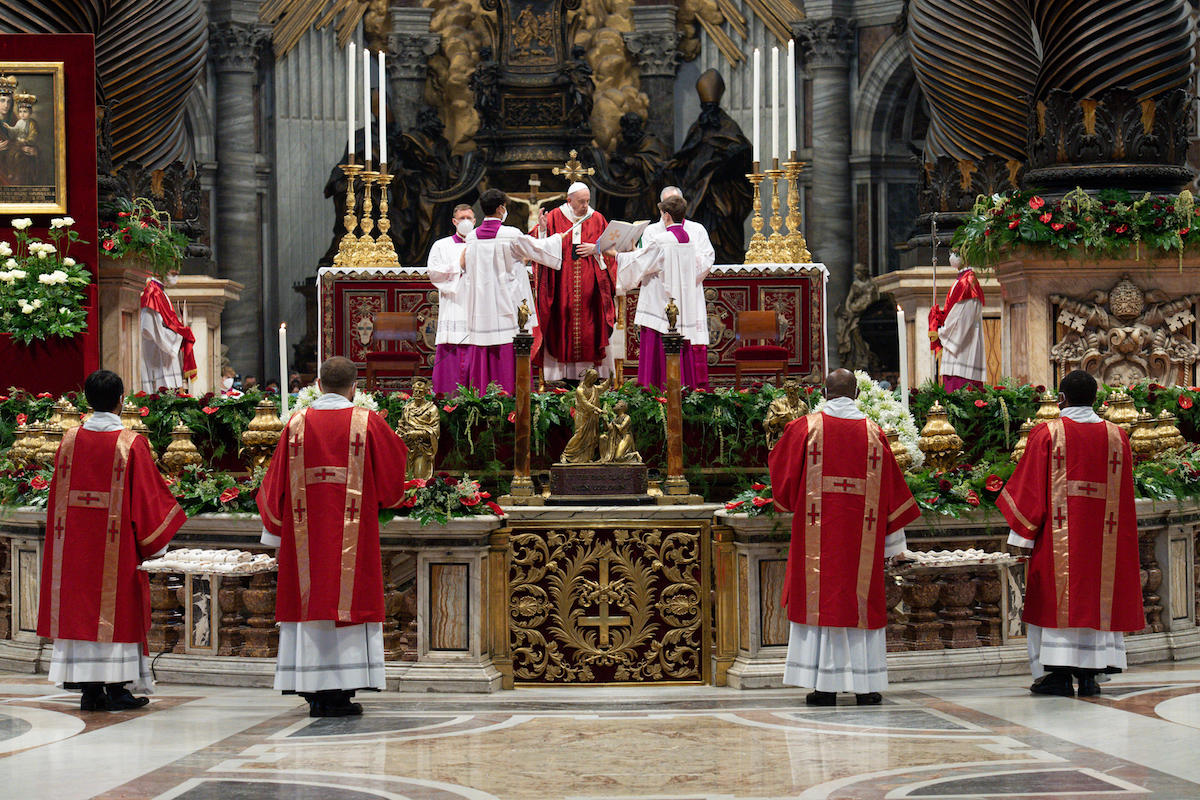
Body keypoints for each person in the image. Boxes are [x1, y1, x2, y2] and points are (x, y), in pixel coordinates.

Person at [256, 357, 409, 717]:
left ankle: (313, 687)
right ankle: (340, 691)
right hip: (353, 543)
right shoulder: (366, 422)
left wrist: (274, 529)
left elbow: (274, 484)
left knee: (310, 602)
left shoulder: (295, 425)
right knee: (348, 602)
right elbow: (394, 474)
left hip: (304, 544)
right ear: (354, 388)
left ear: (318, 385)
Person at [36, 369, 187, 711]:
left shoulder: (69, 440)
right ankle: (117, 689)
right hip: (116, 548)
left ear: (86, 400)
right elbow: (149, 498)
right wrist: (156, 543)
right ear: (121, 401)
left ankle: (90, 691)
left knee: (80, 611)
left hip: (73, 547)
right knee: (116, 609)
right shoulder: (130, 443)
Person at [769, 369, 920, 706]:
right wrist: (897, 547)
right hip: (860, 542)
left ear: (824, 393)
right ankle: (866, 686)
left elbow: (781, 476)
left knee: (821, 601)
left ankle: (823, 687)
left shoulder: (804, 428)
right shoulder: (874, 434)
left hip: (816, 536)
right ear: (856, 394)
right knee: (857, 603)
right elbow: (893, 495)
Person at [997, 369, 1143, 698]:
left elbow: (1029, 491)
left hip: (1056, 542)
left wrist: (1020, 540)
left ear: (1061, 399)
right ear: (1096, 400)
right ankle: (1090, 676)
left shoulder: (1047, 433)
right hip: (1103, 541)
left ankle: (1057, 676)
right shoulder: (1117, 436)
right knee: (1096, 597)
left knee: (1054, 596)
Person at [455, 188, 563, 393]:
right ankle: (513, 397)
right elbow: (538, 250)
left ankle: (482, 395)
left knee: (483, 350)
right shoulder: (510, 235)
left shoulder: (471, 238)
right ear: (500, 208)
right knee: (509, 349)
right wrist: (556, 237)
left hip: (481, 308)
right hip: (507, 307)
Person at [609, 195, 710, 389]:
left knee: (657, 348)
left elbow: (644, 263)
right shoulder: (687, 238)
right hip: (678, 302)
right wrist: (636, 252)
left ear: (666, 216)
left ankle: (656, 391)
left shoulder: (662, 239)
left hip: (658, 301)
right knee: (680, 343)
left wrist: (618, 256)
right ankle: (683, 388)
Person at [537, 182, 618, 382]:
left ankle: (590, 375)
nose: (585, 205)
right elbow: (538, 246)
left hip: (591, 283)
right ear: (569, 200)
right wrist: (542, 229)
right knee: (562, 319)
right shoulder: (555, 216)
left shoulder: (597, 218)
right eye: (581, 202)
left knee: (591, 323)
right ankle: (561, 375)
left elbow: (612, 248)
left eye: (588, 201)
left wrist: (596, 248)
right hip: (561, 282)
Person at [427, 203, 474, 394]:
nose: (465, 222)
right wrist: (459, 266)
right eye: (461, 218)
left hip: (476, 306)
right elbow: (434, 272)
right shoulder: (441, 245)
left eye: (468, 218)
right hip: (453, 304)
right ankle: (446, 396)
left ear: (475, 221)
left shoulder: (482, 243)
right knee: (452, 350)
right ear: (454, 221)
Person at [928, 252, 985, 391]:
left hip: (962, 352)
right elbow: (953, 313)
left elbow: (962, 320)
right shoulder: (961, 280)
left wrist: (940, 332)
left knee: (961, 392)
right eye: (951, 253)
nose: (951, 256)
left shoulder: (967, 282)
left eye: (956, 253)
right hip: (957, 351)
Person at [140, 269, 196, 393]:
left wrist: (180, 333)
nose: (176, 272)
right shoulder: (152, 293)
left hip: (165, 353)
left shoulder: (160, 292)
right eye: (173, 270)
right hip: (156, 354)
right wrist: (178, 336)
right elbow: (149, 330)